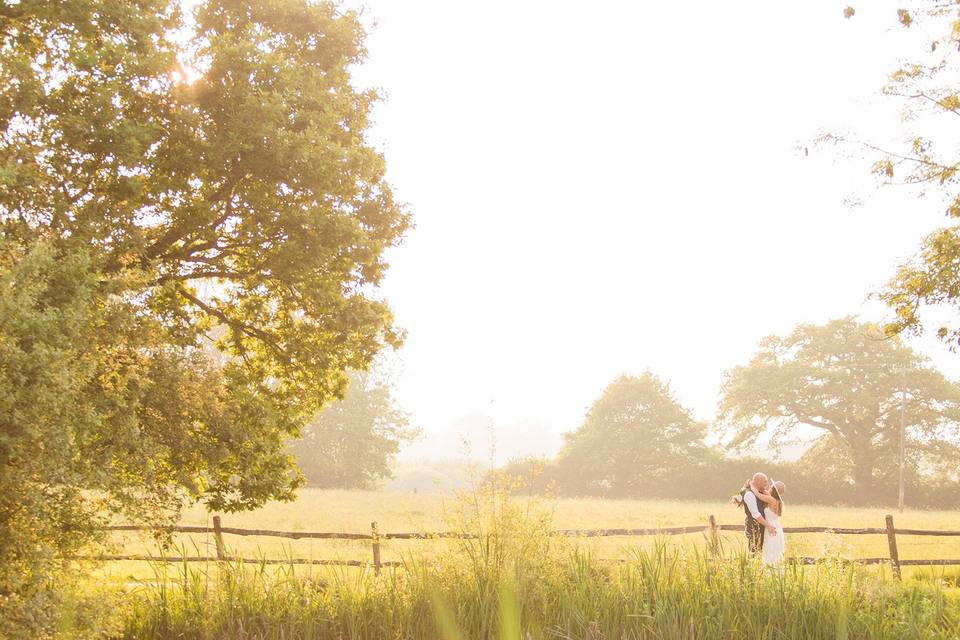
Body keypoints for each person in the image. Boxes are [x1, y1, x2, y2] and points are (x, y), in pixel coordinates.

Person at [732, 472, 778, 555]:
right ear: (757, 481)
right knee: (755, 553)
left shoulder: (760, 493)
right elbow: (756, 514)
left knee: (762, 552)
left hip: (761, 527)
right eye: (764, 481)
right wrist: (768, 525)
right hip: (755, 528)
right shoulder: (749, 494)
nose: (767, 484)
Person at [754, 480, 786, 566]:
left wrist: (752, 485)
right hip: (776, 525)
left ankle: (769, 569)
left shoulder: (771, 500)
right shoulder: (778, 501)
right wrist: (763, 489)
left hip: (770, 526)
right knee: (774, 548)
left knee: (770, 548)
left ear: (773, 489)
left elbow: (757, 494)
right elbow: (766, 493)